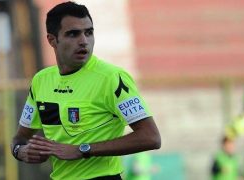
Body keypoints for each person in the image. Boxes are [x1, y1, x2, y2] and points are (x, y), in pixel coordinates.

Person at [10, 1, 161, 180]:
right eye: (73, 34)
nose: (83, 41)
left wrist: (83, 149)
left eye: (89, 33)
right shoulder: (41, 80)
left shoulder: (111, 78)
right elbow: (19, 139)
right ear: (52, 40)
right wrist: (22, 152)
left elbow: (151, 137)